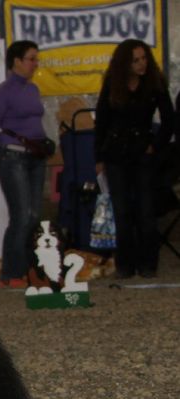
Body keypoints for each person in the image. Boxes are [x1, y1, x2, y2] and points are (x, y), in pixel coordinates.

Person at [94, 39, 173, 279]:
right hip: (116, 154)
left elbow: (169, 119)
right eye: (136, 60)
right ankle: (125, 264)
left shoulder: (155, 83)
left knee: (146, 210)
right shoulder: (112, 84)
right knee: (122, 210)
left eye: (144, 58)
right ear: (125, 63)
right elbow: (102, 122)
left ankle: (148, 263)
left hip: (143, 153)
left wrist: (155, 145)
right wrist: (99, 158)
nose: (142, 64)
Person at [0, 40, 48, 289]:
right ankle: (11, 273)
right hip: (13, 156)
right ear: (16, 62)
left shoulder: (33, 89)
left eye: (36, 59)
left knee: (33, 215)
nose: (35, 63)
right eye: (31, 58)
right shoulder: (4, 91)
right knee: (21, 215)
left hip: (35, 156)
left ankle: (28, 268)